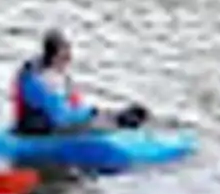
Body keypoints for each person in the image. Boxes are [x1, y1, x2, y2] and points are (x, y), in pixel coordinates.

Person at [9, 30, 147, 136]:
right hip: (35, 130)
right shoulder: (40, 81)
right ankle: (120, 122)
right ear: (53, 56)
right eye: (64, 56)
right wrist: (89, 113)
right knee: (93, 121)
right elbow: (59, 118)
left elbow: (73, 104)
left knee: (97, 116)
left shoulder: (57, 74)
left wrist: (92, 112)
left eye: (69, 55)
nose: (69, 60)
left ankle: (121, 118)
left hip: (53, 122)